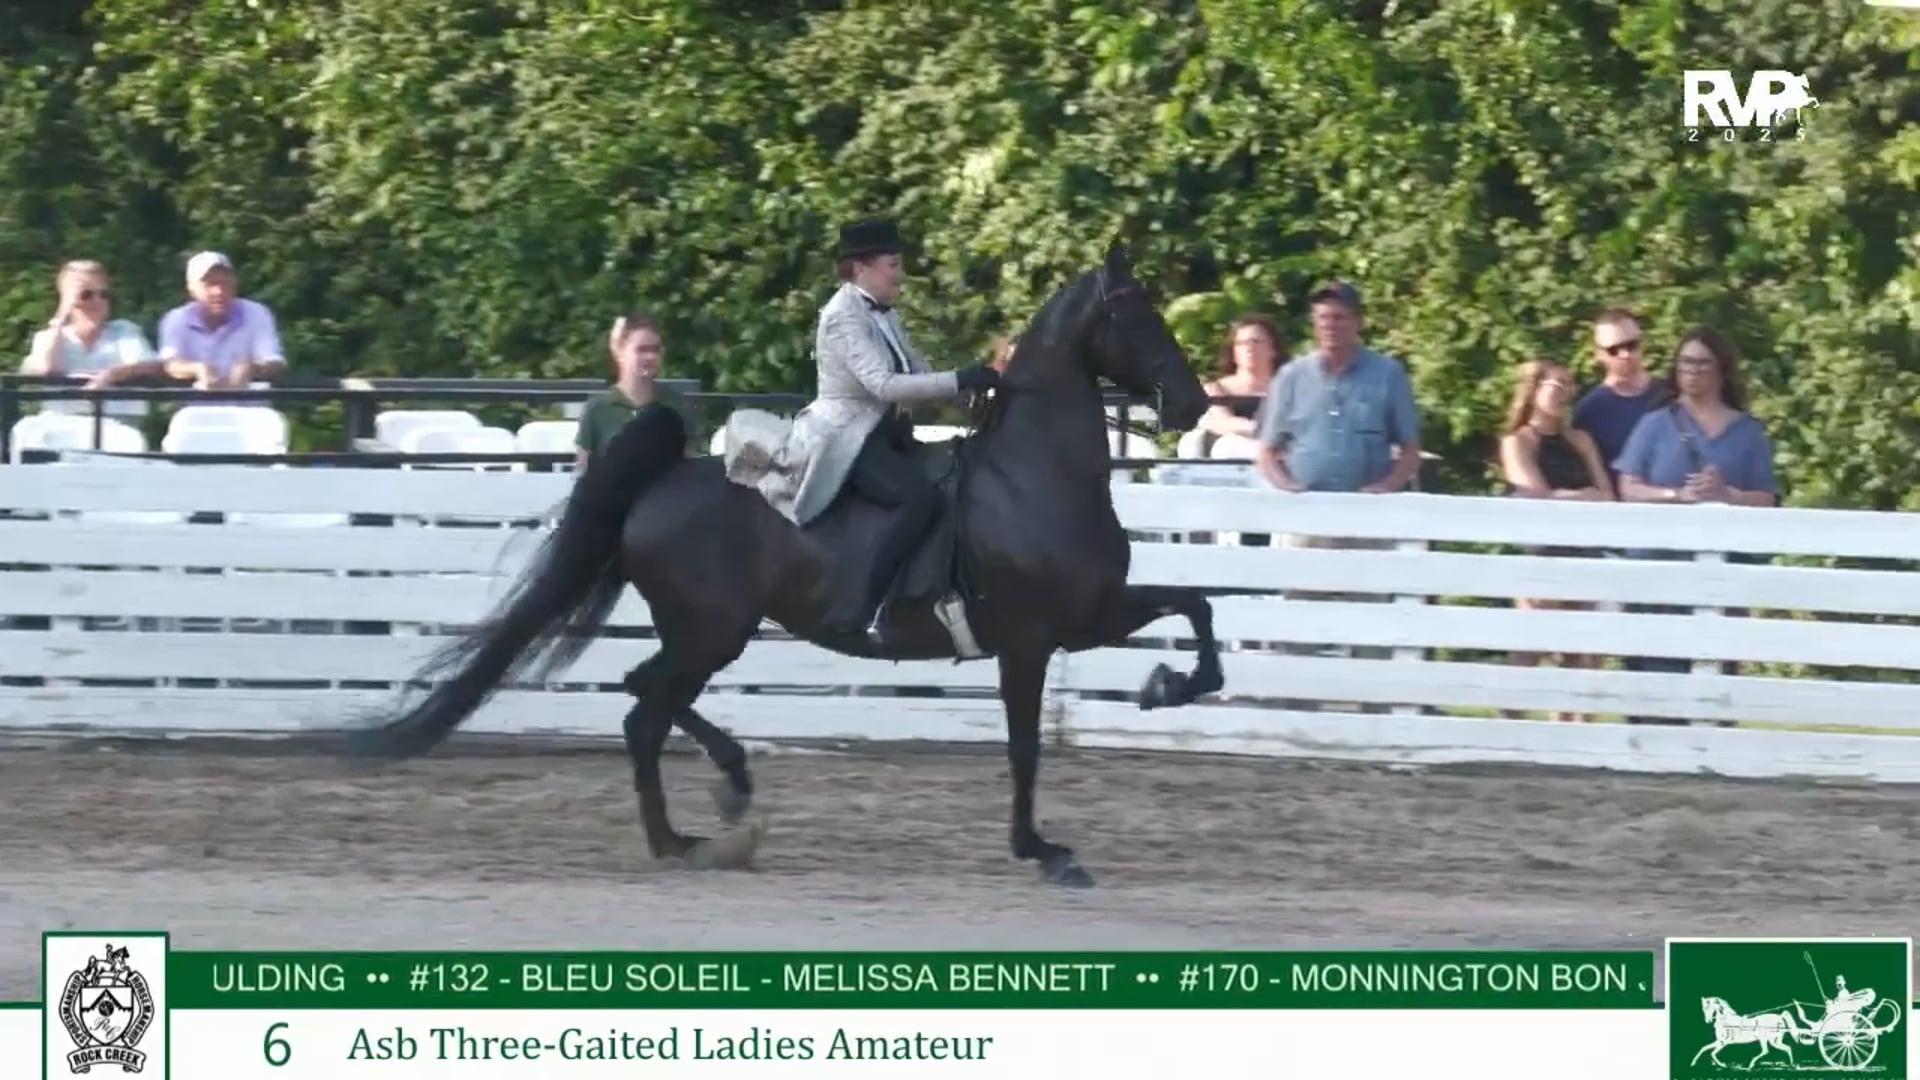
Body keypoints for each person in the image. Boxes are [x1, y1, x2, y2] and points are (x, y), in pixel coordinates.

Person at [808, 217, 1001, 642]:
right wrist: (961, 378)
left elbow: (918, 372)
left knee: (958, 477)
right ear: (861, 268)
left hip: (888, 432)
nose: (900, 274)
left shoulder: (885, 315)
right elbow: (883, 385)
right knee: (918, 499)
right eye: (893, 264)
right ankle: (864, 606)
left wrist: (971, 393)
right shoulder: (843, 317)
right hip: (848, 438)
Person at [18, 259, 158, 421]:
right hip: (59, 422)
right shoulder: (48, 337)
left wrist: (111, 375)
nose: (97, 301)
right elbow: (44, 369)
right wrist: (61, 315)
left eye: (104, 294)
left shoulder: (124, 332)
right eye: (86, 294)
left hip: (116, 424)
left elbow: (148, 364)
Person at [573, 311, 704, 468]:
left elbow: (691, 463)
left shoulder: (676, 404)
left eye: (655, 350)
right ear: (620, 352)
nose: (650, 357)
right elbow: (584, 470)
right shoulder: (598, 408)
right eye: (642, 349)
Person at [156, 251, 286, 391]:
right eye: (209, 284)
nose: (218, 291)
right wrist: (197, 369)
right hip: (196, 407)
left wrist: (252, 367)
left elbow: (275, 362)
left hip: (251, 407)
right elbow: (170, 365)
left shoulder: (257, 313)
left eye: (225, 283)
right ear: (191, 289)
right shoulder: (176, 319)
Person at [1194, 314, 1282, 459]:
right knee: (1230, 445)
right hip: (1231, 459)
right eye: (1241, 343)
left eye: (1255, 341)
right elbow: (1224, 423)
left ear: (1273, 349)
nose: (1249, 348)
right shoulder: (1215, 389)